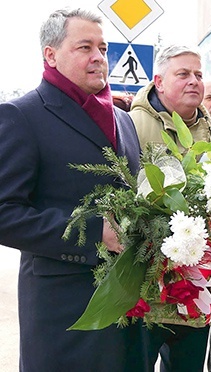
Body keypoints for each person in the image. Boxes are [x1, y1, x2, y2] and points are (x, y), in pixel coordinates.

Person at [0, 8, 144, 371]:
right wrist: (97, 232)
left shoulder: (124, 120)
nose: (99, 57)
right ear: (51, 54)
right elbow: (5, 213)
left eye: (103, 47)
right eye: (85, 47)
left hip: (131, 311)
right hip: (64, 314)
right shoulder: (22, 115)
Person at [128, 45, 211, 371]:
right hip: (144, 290)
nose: (194, 82)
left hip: (196, 290)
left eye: (198, 75)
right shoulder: (129, 126)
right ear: (159, 81)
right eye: (183, 74)